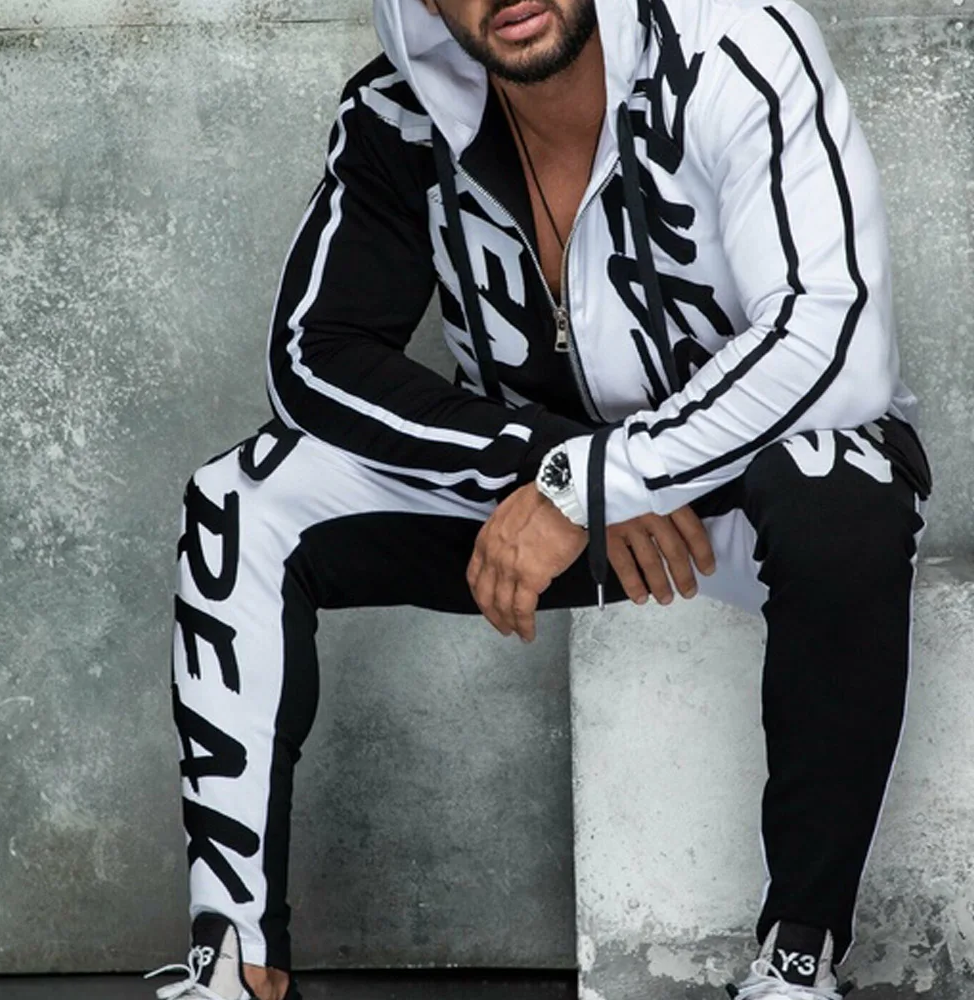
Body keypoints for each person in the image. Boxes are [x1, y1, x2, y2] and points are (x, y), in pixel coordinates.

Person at [147, 0, 933, 997]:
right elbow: (316, 359)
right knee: (241, 499)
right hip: (555, 501)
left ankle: (797, 960)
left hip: (746, 493)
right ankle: (236, 960)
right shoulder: (400, 113)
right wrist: (561, 469)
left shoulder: (733, 50)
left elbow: (836, 343)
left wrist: (605, 479)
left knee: (841, 489)